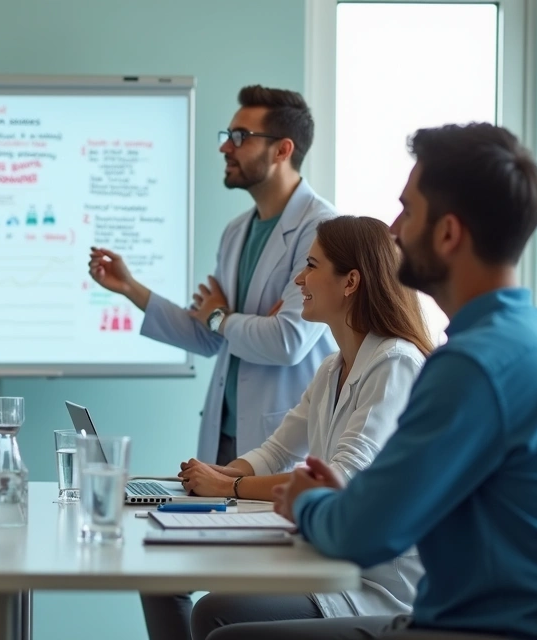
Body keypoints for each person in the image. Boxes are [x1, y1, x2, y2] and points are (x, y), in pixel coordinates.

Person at [216, 123, 537, 640]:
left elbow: (365, 533)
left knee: (228, 634)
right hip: (514, 619)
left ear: (449, 233)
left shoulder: (471, 366)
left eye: (407, 210)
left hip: (475, 628)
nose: (393, 229)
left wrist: (306, 500)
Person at [141, 216, 432, 640]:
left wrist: (226, 489)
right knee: (173, 587)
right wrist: (223, 472)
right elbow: (275, 451)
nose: (299, 278)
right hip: (333, 559)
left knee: (216, 615)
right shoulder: (333, 367)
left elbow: (339, 481)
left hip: (378, 585)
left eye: (312, 265)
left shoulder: (396, 363)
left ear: (350, 282)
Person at [89, 85, 337, 466]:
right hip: (225, 437)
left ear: (282, 150)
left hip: (281, 442)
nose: (226, 147)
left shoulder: (321, 228)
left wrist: (223, 317)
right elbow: (208, 337)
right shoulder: (237, 230)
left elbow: (286, 341)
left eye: (240, 137)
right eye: (228, 136)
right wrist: (131, 289)